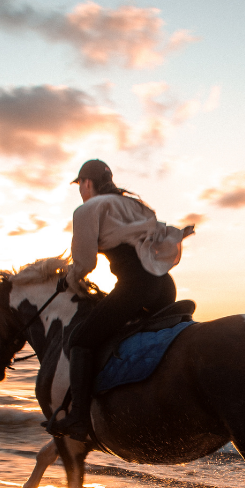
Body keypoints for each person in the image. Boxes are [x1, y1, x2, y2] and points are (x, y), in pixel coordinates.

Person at [47, 159, 194, 442]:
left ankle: (78, 418)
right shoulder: (136, 206)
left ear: (87, 183)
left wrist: (70, 279)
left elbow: (85, 261)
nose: (80, 192)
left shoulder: (88, 209)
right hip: (164, 286)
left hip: (135, 287)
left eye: (80, 186)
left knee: (80, 340)